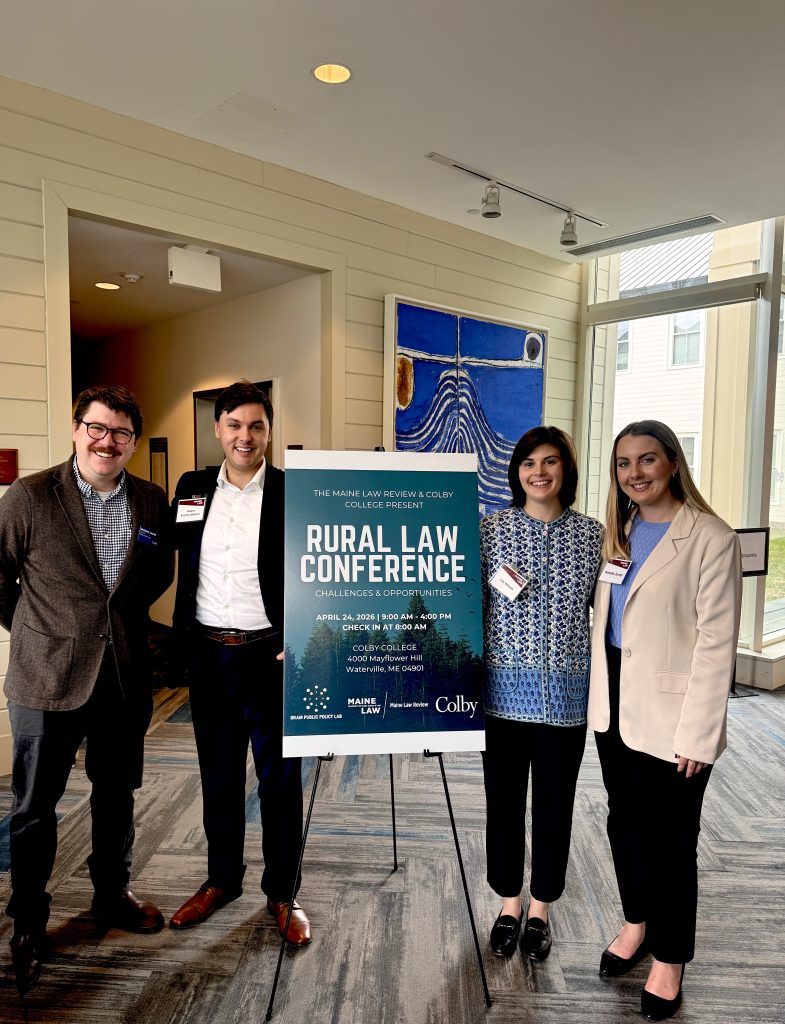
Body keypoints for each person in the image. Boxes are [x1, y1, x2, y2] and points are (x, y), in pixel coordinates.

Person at [0, 385, 174, 993]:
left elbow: (154, 578)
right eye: (97, 428)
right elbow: (1, 577)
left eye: (121, 433)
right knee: (33, 808)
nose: (108, 442)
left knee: (117, 793)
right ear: (77, 430)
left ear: (131, 442)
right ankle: (27, 920)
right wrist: (43, 630)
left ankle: (111, 894)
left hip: (122, 676)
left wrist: (109, 629)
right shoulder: (31, 495)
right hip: (45, 677)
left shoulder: (152, 502)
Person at [589, 420, 741, 1022]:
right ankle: (637, 924)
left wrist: (699, 735)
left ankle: (671, 957)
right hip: (616, 702)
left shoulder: (710, 537)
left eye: (647, 460)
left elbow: (715, 644)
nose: (636, 473)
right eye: (625, 464)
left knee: (672, 840)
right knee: (624, 825)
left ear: (673, 463)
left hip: (676, 712)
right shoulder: (617, 534)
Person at [169, 380, 310, 946]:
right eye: (234, 425)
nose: (244, 436)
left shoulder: (293, 490)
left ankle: (282, 893)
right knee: (218, 775)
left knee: (279, 782)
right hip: (207, 653)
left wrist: (300, 632)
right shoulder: (193, 487)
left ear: (269, 431)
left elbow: (315, 569)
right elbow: (179, 557)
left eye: (256, 425)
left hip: (267, 656)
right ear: (218, 430)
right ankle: (221, 880)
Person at [480, 426, 603, 962]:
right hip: (501, 699)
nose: (538, 472)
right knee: (504, 805)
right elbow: (466, 608)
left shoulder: (595, 536)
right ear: (516, 472)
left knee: (555, 807)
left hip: (566, 702)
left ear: (565, 471)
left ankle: (541, 909)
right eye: (528, 462)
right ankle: (509, 902)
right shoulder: (490, 533)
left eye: (550, 462)